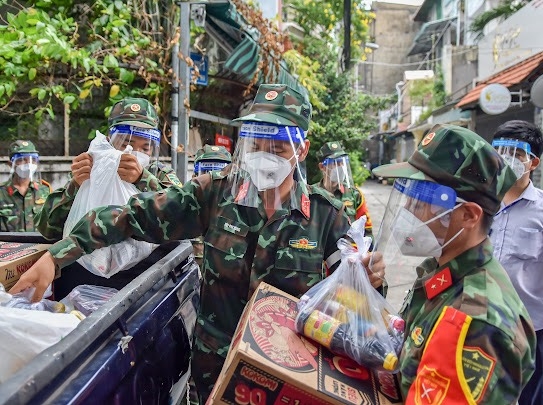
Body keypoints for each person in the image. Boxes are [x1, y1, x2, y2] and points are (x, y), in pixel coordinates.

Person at [10, 83, 385, 403]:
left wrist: (369, 279)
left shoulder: (328, 217)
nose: (264, 157)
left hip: (284, 385)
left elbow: (354, 309)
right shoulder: (215, 195)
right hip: (212, 377)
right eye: (256, 143)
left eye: (278, 148)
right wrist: (56, 258)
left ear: (302, 151)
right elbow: (129, 216)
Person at [371, 124, 535, 403]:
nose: (407, 212)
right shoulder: (441, 271)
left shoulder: (473, 321)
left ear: (469, 215)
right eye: (408, 198)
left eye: (421, 201)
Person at [35, 97, 181, 240]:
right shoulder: (92, 172)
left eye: (145, 147)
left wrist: (143, 179)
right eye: (125, 144)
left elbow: (181, 216)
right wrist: (75, 186)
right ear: (108, 141)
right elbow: (47, 229)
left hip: (153, 263)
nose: (134, 153)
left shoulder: (161, 174)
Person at [490, 120, 543, 405]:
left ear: (532, 162)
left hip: (532, 332)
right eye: (499, 151)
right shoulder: (482, 204)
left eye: (515, 153)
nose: (505, 159)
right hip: (485, 324)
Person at [314, 141, 373, 237]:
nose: (340, 167)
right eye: (335, 163)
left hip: (349, 249)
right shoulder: (312, 194)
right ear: (322, 167)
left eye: (342, 162)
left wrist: (367, 251)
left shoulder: (354, 195)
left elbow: (367, 229)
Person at [191, 145, 232, 268]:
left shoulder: (239, 216)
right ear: (194, 178)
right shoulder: (185, 209)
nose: (214, 180)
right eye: (205, 173)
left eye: (221, 175)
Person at [0, 140, 51, 232]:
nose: (28, 164)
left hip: (38, 245)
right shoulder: (2, 193)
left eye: (32, 160)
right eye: (22, 159)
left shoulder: (45, 191)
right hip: (8, 245)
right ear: (10, 164)